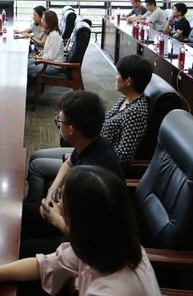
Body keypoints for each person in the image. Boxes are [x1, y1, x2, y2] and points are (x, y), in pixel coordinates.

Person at [0, 166, 161, 296]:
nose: (58, 206)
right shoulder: (107, 241)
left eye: (62, 201)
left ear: (79, 222)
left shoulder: (107, 295)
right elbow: (44, 264)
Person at [21, 91, 124, 257]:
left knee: (23, 248)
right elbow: (69, 163)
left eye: (59, 121)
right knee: (20, 215)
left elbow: (88, 238)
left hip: (91, 247)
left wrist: (56, 219)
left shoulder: (90, 178)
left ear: (71, 129)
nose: (58, 123)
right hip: (71, 218)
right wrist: (52, 191)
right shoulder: (93, 143)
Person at [99, 55, 152, 166]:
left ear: (128, 81)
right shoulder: (125, 98)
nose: (115, 77)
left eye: (118, 74)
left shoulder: (135, 112)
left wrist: (92, 153)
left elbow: (124, 155)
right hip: (97, 150)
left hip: (103, 164)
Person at [28, 10, 65, 83]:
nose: (41, 21)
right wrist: (43, 52)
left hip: (53, 66)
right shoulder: (51, 33)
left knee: (28, 69)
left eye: (43, 20)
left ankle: (27, 87)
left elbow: (50, 57)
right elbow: (50, 49)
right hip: (47, 62)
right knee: (26, 63)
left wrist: (38, 58)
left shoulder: (54, 36)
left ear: (49, 22)